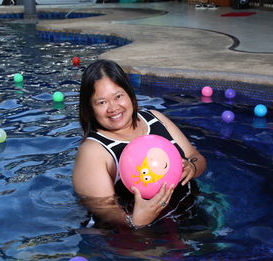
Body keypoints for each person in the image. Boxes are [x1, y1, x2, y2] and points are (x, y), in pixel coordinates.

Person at [72, 59, 206, 230]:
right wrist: (135, 221)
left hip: (188, 213)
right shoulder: (93, 150)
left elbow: (196, 158)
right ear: (90, 108)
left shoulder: (156, 119)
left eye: (118, 96)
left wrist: (192, 168)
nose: (113, 107)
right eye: (102, 102)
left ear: (129, 94)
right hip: (140, 234)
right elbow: (102, 208)